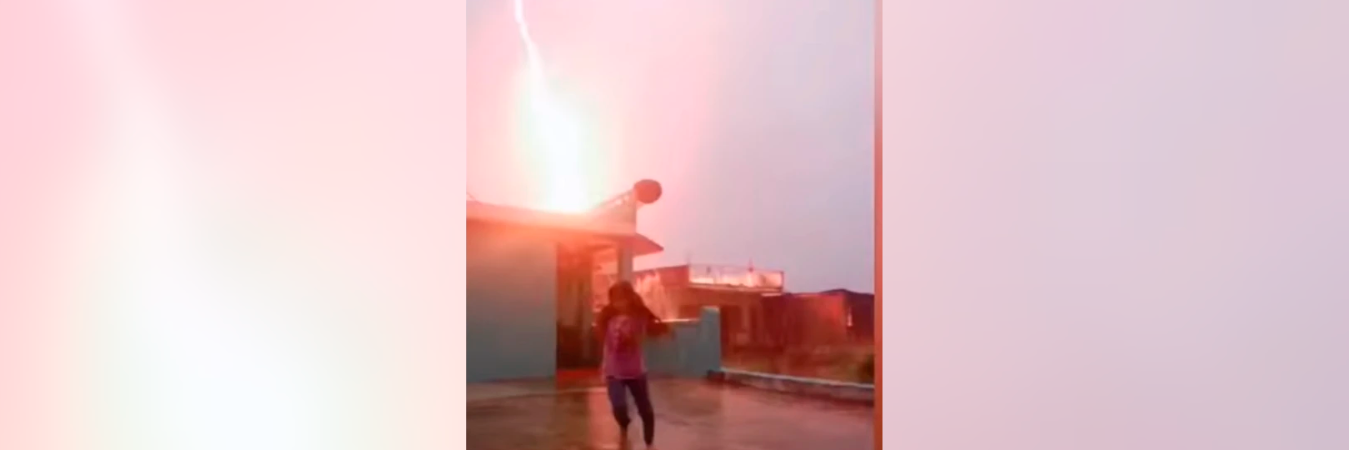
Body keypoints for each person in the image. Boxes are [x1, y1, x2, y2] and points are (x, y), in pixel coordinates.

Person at [594, 281, 669, 449]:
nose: (619, 303)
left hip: (636, 371)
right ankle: (624, 424)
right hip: (614, 371)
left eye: (623, 299)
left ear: (630, 298)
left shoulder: (639, 316)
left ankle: (649, 442)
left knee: (645, 409)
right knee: (618, 407)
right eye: (615, 300)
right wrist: (603, 364)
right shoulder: (606, 318)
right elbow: (605, 342)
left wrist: (657, 332)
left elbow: (643, 335)